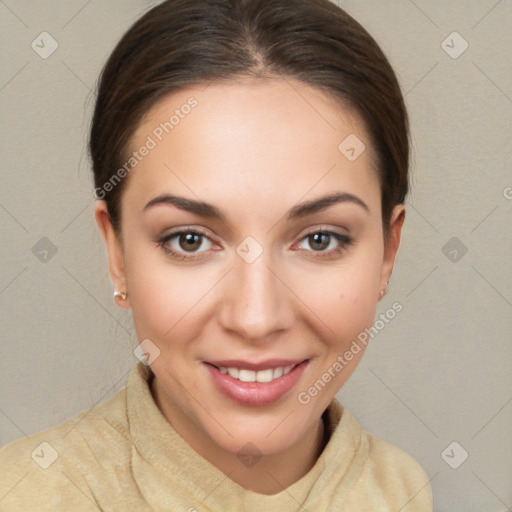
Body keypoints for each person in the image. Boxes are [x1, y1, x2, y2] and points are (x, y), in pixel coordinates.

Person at [0, 0, 433, 510]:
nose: (255, 318)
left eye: (320, 239)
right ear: (117, 252)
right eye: (189, 240)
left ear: (388, 251)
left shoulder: (400, 487)